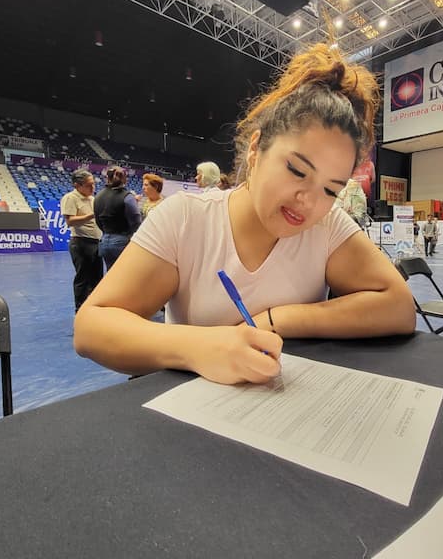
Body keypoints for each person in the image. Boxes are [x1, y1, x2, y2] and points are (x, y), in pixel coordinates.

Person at [74, 42, 416, 384]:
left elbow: (399, 306)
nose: (308, 202)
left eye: (330, 190)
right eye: (297, 171)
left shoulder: (326, 227)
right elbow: (91, 328)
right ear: (256, 149)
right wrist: (199, 347)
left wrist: (277, 318)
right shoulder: (187, 219)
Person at [61, 169, 102, 312]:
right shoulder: (70, 198)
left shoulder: (92, 198)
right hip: (81, 242)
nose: (93, 188)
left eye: (93, 184)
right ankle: (80, 310)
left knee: (97, 277)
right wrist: (91, 216)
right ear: (77, 185)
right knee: (83, 277)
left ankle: (95, 307)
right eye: (89, 185)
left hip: (96, 241)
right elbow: (70, 221)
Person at [94, 166, 142, 271]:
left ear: (107, 178)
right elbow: (136, 220)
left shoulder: (98, 196)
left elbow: (97, 220)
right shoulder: (127, 197)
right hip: (122, 240)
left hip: (105, 241)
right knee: (126, 275)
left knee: (111, 274)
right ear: (125, 179)